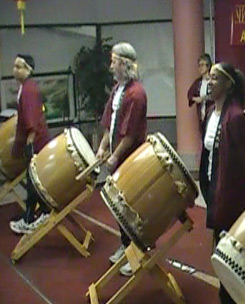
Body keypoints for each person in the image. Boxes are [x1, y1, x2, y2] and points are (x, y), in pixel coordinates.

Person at [199, 62, 245, 304]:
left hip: (230, 194)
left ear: (228, 84)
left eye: (215, 78)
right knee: (221, 247)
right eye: (210, 77)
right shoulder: (209, 113)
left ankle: (230, 298)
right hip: (213, 189)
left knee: (227, 252)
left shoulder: (235, 116)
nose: (210, 82)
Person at [96, 42, 147, 277]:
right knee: (117, 203)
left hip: (130, 156)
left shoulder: (137, 93)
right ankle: (126, 245)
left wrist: (115, 155)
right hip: (117, 154)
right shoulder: (118, 89)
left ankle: (135, 250)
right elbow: (110, 122)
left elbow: (130, 132)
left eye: (114, 61)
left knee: (129, 204)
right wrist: (102, 147)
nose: (111, 66)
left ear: (124, 64)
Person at [9, 54, 51, 234]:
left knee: (33, 181)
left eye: (19, 66)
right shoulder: (25, 88)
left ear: (28, 70)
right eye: (15, 66)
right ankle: (28, 217)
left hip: (35, 143)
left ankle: (43, 212)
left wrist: (30, 143)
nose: (15, 69)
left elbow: (32, 119)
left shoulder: (29, 90)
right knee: (32, 181)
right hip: (31, 142)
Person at [187, 53, 213, 132]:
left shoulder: (213, 81)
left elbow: (216, 95)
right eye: (199, 65)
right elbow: (189, 94)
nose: (200, 68)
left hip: (212, 115)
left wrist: (204, 98)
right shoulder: (198, 82)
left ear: (208, 66)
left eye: (202, 65)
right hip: (202, 116)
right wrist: (195, 99)